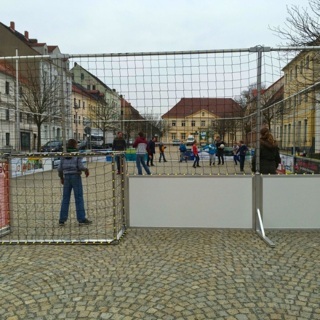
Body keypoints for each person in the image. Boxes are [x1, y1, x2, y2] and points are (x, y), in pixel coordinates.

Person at [58, 139, 91, 226]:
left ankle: (62, 219)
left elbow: (59, 168)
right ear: (75, 145)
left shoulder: (64, 154)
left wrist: (61, 177)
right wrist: (86, 169)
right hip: (76, 176)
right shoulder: (77, 153)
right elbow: (80, 166)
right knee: (79, 198)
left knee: (65, 198)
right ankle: (81, 219)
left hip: (66, 177)